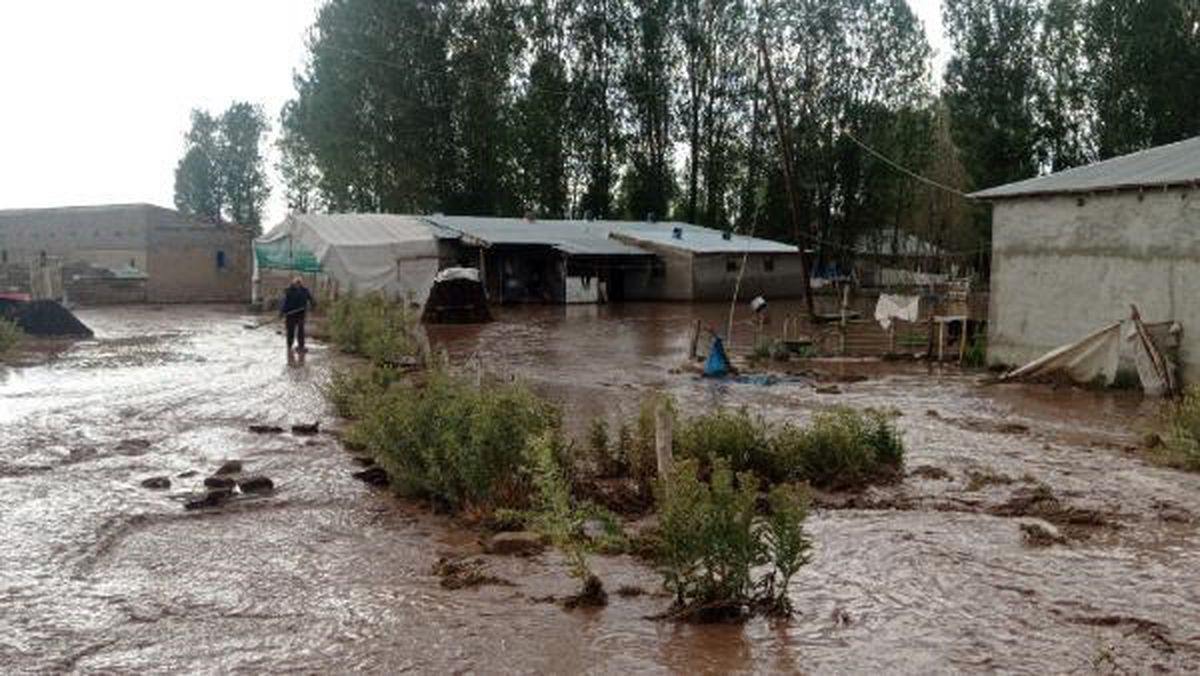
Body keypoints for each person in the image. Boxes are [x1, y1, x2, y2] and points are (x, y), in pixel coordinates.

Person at [280, 277, 316, 353]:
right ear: (294, 283)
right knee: (290, 331)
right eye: (297, 283)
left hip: (301, 314)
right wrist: (282, 312)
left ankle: (301, 346)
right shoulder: (288, 291)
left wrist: (313, 304)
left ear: (301, 283)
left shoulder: (305, 291)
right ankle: (289, 347)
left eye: (299, 283)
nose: (298, 284)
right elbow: (284, 302)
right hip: (290, 315)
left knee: (301, 331)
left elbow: (311, 299)